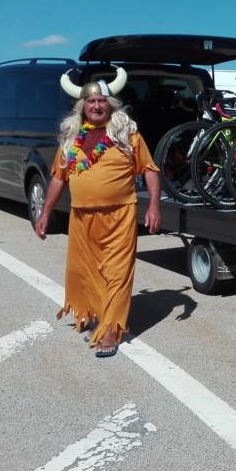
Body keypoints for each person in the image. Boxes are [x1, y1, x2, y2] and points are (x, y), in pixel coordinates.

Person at [34, 66, 161, 358]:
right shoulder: (71, 138)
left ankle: (111, 331)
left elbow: (150, 170)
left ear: (110, 104)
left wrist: (153, 205)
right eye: (90, 102)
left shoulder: (127, 134)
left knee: (117, 273)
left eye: (101, 101)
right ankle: (96, 315)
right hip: (81, 217)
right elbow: (58, 177)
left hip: (120, 214)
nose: (96, 106)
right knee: (86, 272)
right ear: (82, 107)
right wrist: (45, 212)